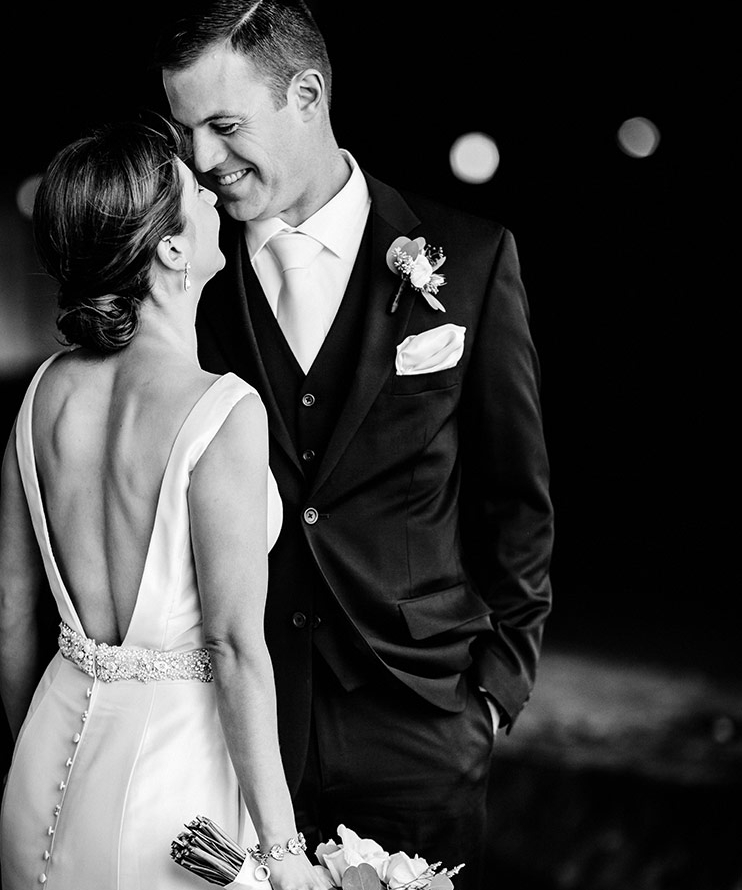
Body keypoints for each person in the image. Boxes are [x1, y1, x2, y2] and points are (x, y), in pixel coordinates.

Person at [156, 1, 554, 886]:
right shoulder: (187, 280)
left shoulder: (471, 257)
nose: (203, 160)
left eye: (225, 126)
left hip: (422, 724)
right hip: (237, 729)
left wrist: (497, 692)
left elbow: (516, 500)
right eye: (186, 133)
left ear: (307, 94)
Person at [0, 121, 330, 890]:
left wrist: (36, 747)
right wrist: (284, 856)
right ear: (173, 250)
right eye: (195, 192)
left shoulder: (44, 391)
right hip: (172, 806)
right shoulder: (221, 410)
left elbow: (12, 609)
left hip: (41, 767)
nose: (214, 196)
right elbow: (236, 648)